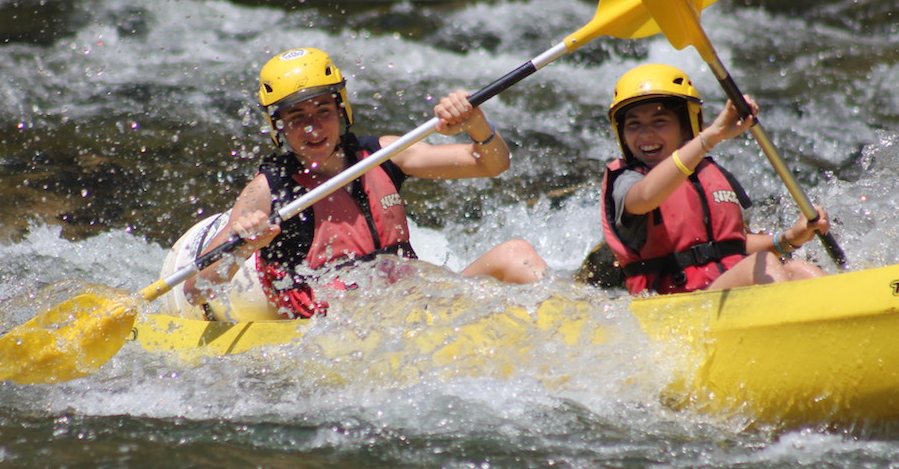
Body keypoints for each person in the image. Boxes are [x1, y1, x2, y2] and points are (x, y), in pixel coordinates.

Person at [171, 47, 546, 321]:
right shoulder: (268, 191)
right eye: (297, 117)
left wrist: (475, 123)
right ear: (278, 126)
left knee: (516, 254)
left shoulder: (385, 154)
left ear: (342, 110)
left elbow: (493, 164)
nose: (314, 128)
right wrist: (246, 244)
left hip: (408, 303)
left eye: (323, 111)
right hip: (334, 329)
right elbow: (195, 290)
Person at [600, 63, 830, 295]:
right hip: (669, 309)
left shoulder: (706, 173)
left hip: (715, 294)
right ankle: (793, 325)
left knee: (800, 269)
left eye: (660, 121)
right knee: (763, 264)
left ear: (685, 126)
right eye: (633, 124)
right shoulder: (625, 182)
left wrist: (790, 238)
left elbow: (732, 246)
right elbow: (646, 196)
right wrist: (709, 137)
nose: (646, 134)